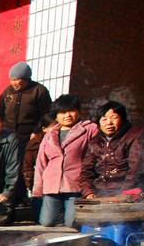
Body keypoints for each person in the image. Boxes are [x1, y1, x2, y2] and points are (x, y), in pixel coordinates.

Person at [32, 94, 98, 228]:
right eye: (62, 112)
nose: (67, 115)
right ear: (56, 116)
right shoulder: (50, 134)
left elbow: (96, 156)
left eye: (71, 110)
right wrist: (38, 189)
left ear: (78, 111)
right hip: (52, 185)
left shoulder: (89, 129)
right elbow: (41, 162)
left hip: (75, 184)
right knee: (47, 222)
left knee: (73, 223)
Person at [80, 101, 144, 199]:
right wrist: (89, 192)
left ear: (123, 119)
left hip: (127, 193)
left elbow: (137, 168)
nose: (109, 122)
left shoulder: (136, 136)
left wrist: (126, 192)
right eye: (104, 119)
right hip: (99, 193)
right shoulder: (95, 141)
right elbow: (86, 171)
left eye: (114, 118)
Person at [0, 61, 52, 151]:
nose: (14, 83)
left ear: (26, 79)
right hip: (7, 136)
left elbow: (47, 113)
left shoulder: (39, 91)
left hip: (29, 137)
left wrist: (36, 131)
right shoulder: (7, 91)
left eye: (17, 80)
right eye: (12, 80)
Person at [23, 111, 57, 221]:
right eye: (53, 127)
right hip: (39, 185)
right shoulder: (34, 144)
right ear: (44, 128)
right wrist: (31, 185)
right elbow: (27, 168)